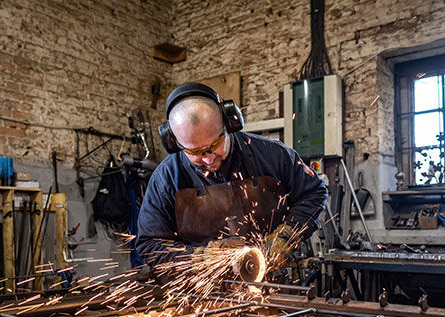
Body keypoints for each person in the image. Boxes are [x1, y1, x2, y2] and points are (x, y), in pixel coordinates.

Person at [135, 82, 327, 270]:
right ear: (174, 142)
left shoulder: (272, 155)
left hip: (271, 280)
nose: (209, 159)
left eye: (215, 144)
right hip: (202, 293)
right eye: (195, 152)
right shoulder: (166, 178)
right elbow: (150, 245)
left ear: (229, 123)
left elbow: (314, 193)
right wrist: (198, 258)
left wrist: (287, 236)